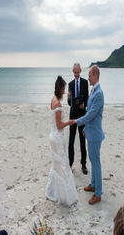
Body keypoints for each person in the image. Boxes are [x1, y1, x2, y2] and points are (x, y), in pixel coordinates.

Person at [45, 75, 78, 206]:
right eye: (64, 89)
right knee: (63, 164)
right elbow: (59, 125)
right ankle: (63, 195)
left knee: (57, 165)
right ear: (60, 89)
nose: (65, 91)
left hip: (53, 135)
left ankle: (54, 190)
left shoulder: (52, 99)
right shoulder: (57, 103)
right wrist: (69, 122)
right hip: (57, 137)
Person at [74, 65, 105, 205]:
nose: (88, 78)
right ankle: (93, 185)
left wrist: (77, 122)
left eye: (90, 76)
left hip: (96, 134)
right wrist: (85, 127)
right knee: (93, 161)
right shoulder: (93, 90)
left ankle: (98, 193)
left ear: (96, 76)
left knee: (96, 164)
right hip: (90, 132)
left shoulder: (99, 93)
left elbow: (91, 114)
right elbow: (88, 112)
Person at [67, 62, 89, 174]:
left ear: (80, 71)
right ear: (73, 71)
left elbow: (87, 99)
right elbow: (69, 103)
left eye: (77, 72)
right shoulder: (70, 84)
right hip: (72, 115)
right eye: (74, 72)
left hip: (82, 115)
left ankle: (83, 164)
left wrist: (84, 104)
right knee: (71, 141)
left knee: (82, 140)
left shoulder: (85, 82)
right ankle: (70, 164)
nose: (76, 74)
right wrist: (68, 98)